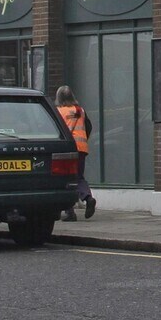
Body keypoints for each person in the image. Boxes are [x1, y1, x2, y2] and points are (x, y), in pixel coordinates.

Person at [55, 85, 95, 219]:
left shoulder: (59, 112)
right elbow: (88, 127)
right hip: (81, 148)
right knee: (78, 177)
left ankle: (69, 212)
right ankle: (88, 197)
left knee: (65, 179)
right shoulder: (80, 110)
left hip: (66, 149)